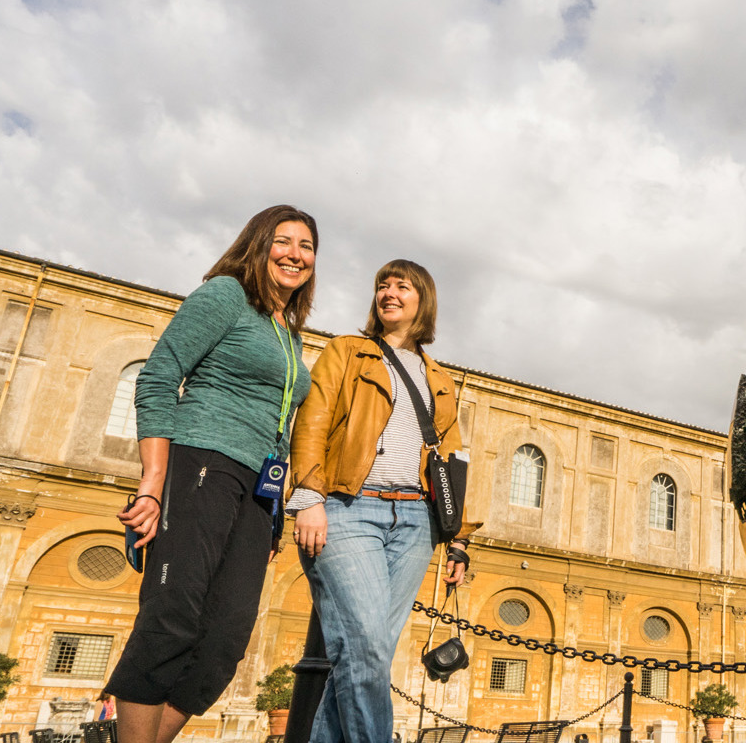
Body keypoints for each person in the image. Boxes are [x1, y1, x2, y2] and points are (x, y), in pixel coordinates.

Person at [106, 205, 319, 743]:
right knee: (172, 617)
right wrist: (153, 483)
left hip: (256, 491)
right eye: (284, 241)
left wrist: (273, 518)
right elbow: (158, 377)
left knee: (224, 639)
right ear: (258, 243)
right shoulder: (225, 295)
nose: (296, 254)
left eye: (307, 246)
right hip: (202, 463)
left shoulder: (287, 333)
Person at [288, 259, 479, 742]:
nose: (389, 292)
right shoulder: (348, 352)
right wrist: (309, 496)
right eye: (382, 285)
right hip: (351, 508)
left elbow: (451, 459)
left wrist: (455, 539)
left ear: (424, 299)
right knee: (366, 650)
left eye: (402, 286)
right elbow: (312, 421)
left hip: (416, 520)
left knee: (364, 656)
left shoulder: (439, 377)